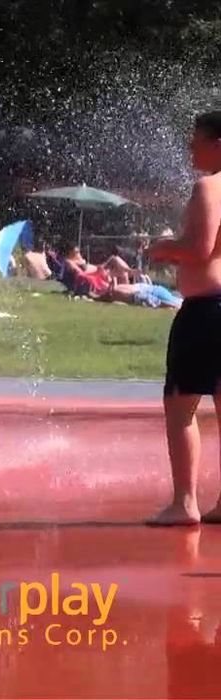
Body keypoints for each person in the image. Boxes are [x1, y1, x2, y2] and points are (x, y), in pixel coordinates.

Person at [145, 110, 221, 526]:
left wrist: (163, 247)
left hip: (208, 310)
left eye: (198, 139)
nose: (191, 146)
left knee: (181, 406)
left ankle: (185, 502)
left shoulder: (210, 186)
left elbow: (199, 250)